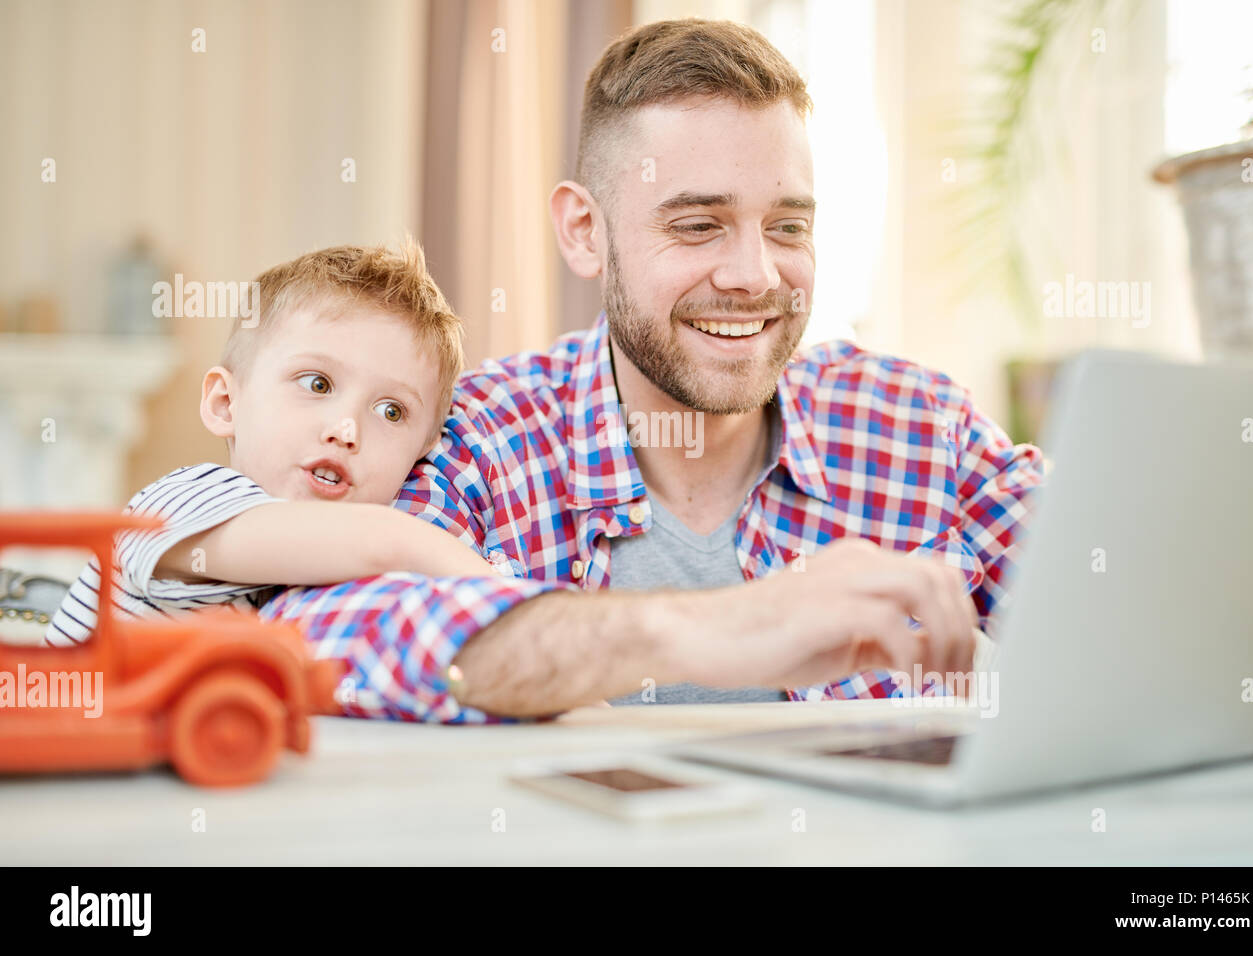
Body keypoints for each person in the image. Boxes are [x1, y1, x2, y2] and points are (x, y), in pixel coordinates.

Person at [260, 18, 1046, 723]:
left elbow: (1130, 598)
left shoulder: (920, 428)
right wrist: (726, 627)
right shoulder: (480, 439)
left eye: (787, 226)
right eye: (699, 225)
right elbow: (318, 637)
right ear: (584, 231)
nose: (756, 275)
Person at [45, 240, 496, 647]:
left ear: (422, 451)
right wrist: (504, 597)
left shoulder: (327, 587)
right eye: (317, 383)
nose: (346, 429)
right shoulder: (179, 503)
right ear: (225, 403)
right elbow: (384, 540)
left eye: (391, 411)